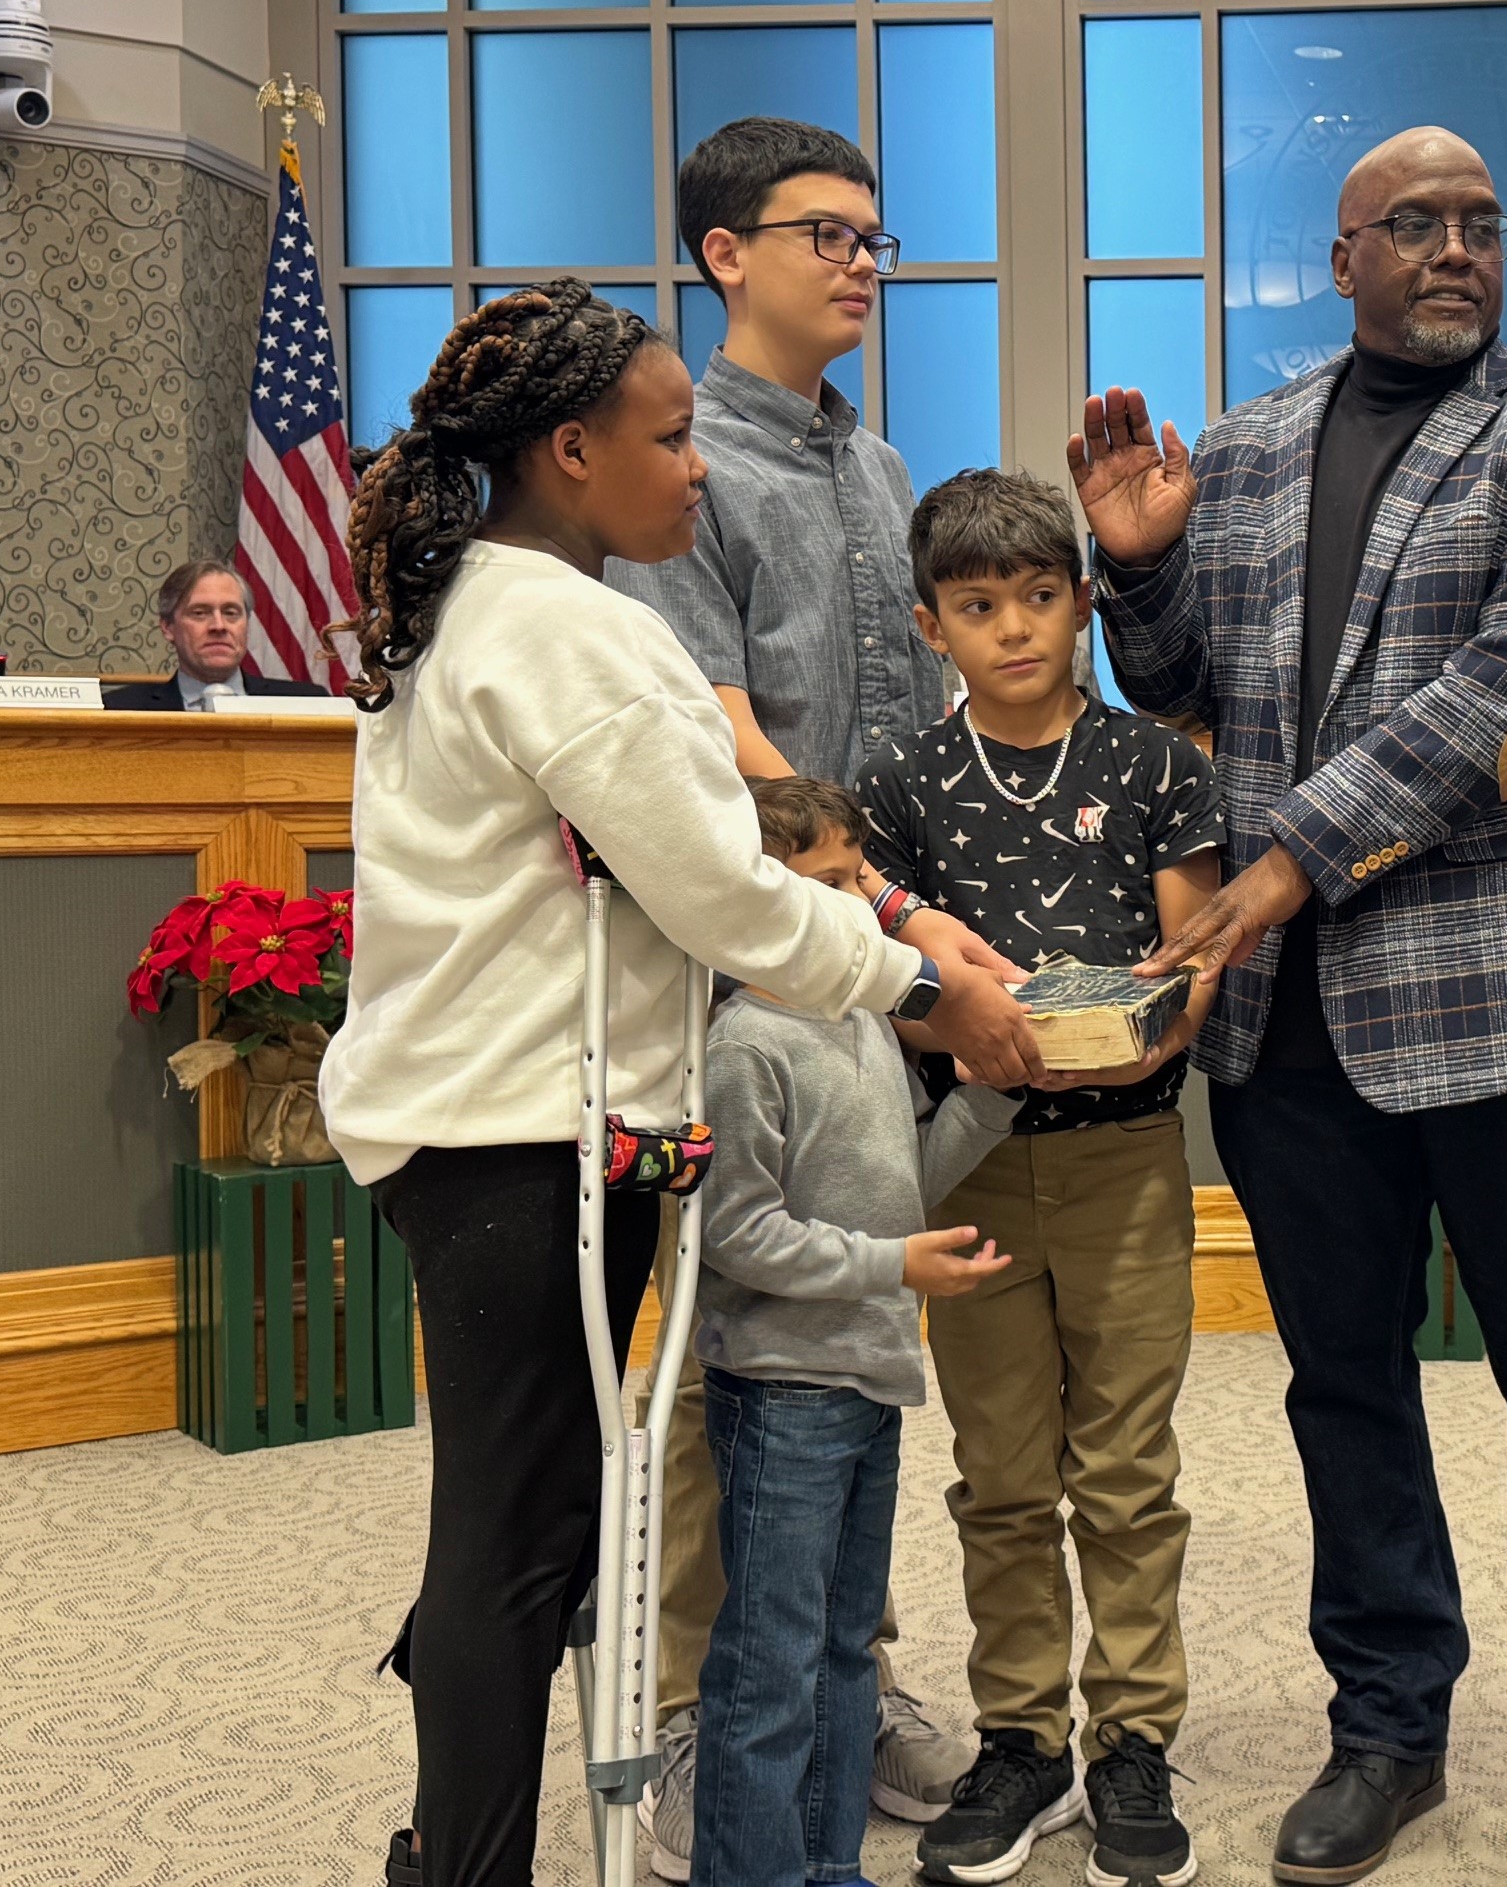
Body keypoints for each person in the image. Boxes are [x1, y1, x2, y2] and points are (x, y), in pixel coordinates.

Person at [317, 281, 1044, 1887]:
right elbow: (724, 892)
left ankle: (452, 1822)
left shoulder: (474, 600)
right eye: (672, 435)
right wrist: (918, 980)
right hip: (526, 1135)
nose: (699, 466)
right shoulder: (571, 630)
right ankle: (465, 1861)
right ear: (571, 451)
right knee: (519, 1541)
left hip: (473, 1121)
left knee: (523, 1512)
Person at [1071, 127, 1507, 1887]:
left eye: (1476, 225)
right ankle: (1386, 1724)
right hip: (1301, 1035)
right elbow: (1188, 685)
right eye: (1407, 225)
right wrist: (1136, 572)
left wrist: (1290, 860)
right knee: (1344, 1387)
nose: (1449, 250)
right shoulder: (1251, 448)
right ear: (1339, 255)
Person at [606, 115, 1004, 1873]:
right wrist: (903, 933)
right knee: (727, 1349)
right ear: (721, 256)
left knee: (853, 1331)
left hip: (865, 951)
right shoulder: (676, 465)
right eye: (820, 232)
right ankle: (701, 1707)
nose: (857, 261)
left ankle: (848, 1670)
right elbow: (730, 749)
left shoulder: (879, 463)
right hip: (735, 957)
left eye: (872, 236)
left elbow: (906, 742)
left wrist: (936, 935)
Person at [857, 469, 1225, 1887]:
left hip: (1129, 1159)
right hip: (972, 1167)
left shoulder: (1155, 767)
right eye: (977, 604)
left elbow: (1189, 958)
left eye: (1039, 595)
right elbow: (887, 978)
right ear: (930, 623)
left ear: (1080, 603)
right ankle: (1023, 1736)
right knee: (1002, 1469)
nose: (1014, 627)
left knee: (1127, 1469)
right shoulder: (899, 781)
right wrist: (961, 1026)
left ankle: (1135, 1735)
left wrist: (1141, 1024)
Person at [690, 773, 1022, 1887]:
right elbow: (739, 1237)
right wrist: (894, 1267)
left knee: (843, 1655)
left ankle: (833, 1868)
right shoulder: (743, 1048)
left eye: (853, 883)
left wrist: (987, 1098)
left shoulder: (868, 1024)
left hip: (868, 1380)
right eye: (820, 888)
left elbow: (899, 1194)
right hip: (783, 1394)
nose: (847, 910)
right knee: (769, 1663)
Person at [101, 559, 327, 709]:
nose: (219, 626)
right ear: (168, 628)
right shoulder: (118, 709)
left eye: (231, 613)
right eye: (200, 613)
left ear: (246, 623)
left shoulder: (307, 704)